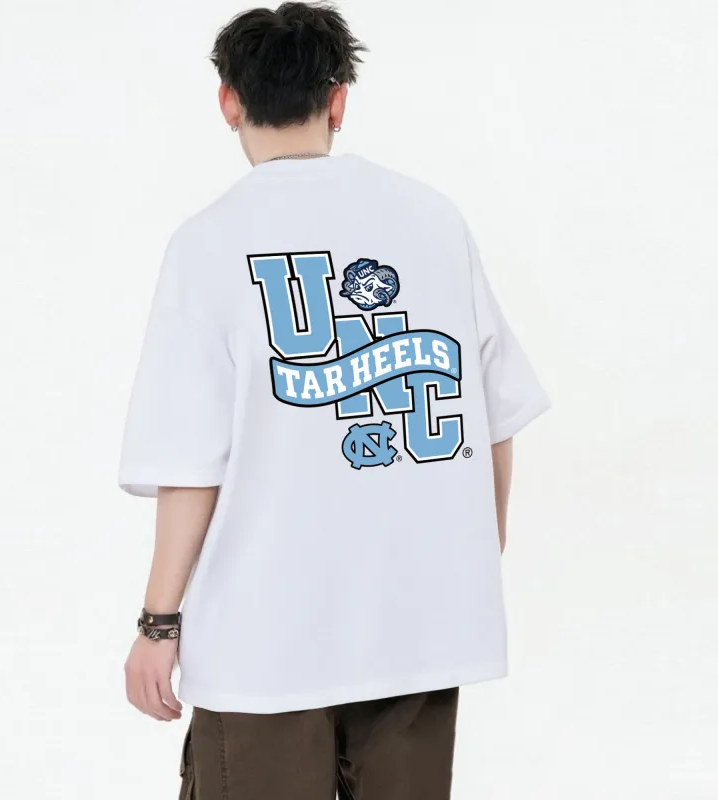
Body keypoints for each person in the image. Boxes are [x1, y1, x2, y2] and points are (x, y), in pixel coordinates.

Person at [119, 3, 550, 798]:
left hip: (266, 642)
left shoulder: (209, 243)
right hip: (416, 627)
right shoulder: (433, 218)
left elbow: (190, 461)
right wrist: (470, 547)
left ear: (229, 102)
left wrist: (158, 624)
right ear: (338, 99)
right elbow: (494, 407)